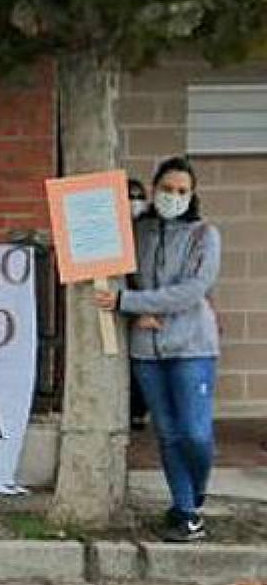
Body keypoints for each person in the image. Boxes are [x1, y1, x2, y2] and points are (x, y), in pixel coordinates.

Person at [96, 157, 220, 543]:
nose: (174, 197)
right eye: (167, 189)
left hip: (192, 346)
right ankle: (185, 511)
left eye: (182, 191)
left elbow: (192, 290)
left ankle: (196, 489)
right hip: (147, 350)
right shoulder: (137, 231)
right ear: (154, 189)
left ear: (193, 194)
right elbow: (117, 274)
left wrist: (132, 304)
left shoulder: (204, 235)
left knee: (194, 433)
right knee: (167, 434)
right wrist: (134, 311)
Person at [127, 177, 151, 431]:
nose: (135, 203)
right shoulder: (114, 228)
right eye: (129, 198)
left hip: (144, 299)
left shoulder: (149, 228)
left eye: (138, 197)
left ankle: (138, 410)